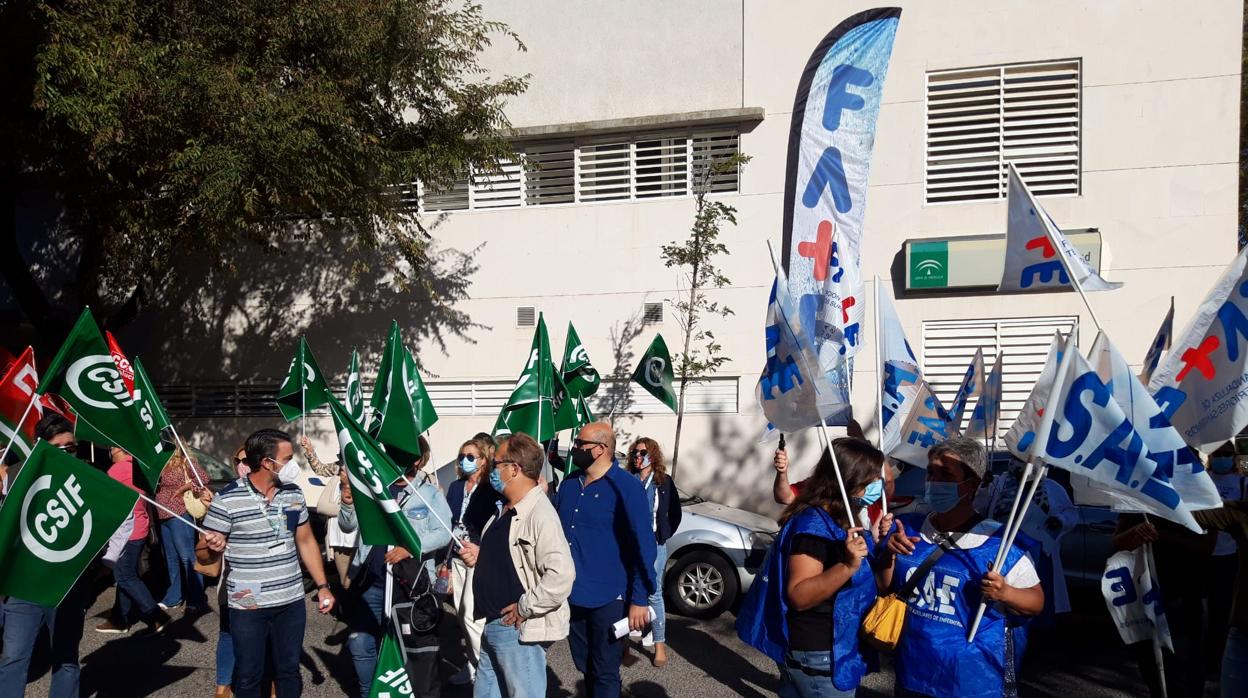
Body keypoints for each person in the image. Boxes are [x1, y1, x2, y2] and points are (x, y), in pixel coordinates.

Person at [876, 436, 1044, 698]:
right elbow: (885, 587)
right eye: (931, 472)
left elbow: (1035, 602)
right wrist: (888, 555)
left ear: (972, 484)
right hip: (913, 672)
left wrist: (1005, 593)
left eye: (946, 474)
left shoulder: (1001, 543)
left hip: (971, 679)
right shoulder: (908, 527)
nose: (934, 481)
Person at [199, 429, 336, 698]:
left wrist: (322, 585)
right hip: (248, 605)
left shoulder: (293, 494)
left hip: (290, 602)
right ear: (266, 463)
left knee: (288, 671)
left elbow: (306, 541)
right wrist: (211, 548)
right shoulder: (226, 499)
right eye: (288, 458)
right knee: (250, 675)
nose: (293, 465)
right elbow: (202, 556)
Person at [761, 438, 887, 697]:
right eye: (872, 479)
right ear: (851, 480)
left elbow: (879, 581)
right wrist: (847, 565)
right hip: (818, 655)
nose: (878, 485)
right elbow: (799, 595)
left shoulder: (843, 519)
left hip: (833, 647)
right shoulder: (814, 526)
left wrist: (888, 550)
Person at [456, 433, 575, 698]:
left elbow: (561, 575)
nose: (491, 470)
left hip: (516, 629)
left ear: (514, 469)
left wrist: (525, 607)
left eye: (496, 463)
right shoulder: (507, 508)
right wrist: (479, 553)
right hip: (494, 623)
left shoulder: (539, 514)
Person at [338, 435, 453, 698]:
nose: (389, 457)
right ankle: (371, 692)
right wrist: (347, 503)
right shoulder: (374, 487)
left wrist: (411, 546)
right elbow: (348, 526)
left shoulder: (429, 493)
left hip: (410, 587)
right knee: (360, 643)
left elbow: (444, 532)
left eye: (398, 453)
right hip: (373, 583)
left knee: (406, 647)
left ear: (415, 459)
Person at [554, 422, 657, 698]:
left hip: (610, 597)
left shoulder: (626, 487)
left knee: (606, 670)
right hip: (572, 595)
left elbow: (643, 547)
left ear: (600, 449)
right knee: (584, 664)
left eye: (579, 444)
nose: (575, 449)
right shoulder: (569, 485)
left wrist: (639, 598)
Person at [0, 415, 89, 698]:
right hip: (23, 586)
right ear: (41, 446)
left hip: (66, 586)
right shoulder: (16, 475)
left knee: (65, 658)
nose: (66, 452)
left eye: (71, 447)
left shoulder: (90, 479)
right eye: (58, 447)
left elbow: (110, 524)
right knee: (13, 657)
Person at [974, 458, 1077, 619]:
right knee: (1002, 592)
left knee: (1038, 594)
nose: (1020, 463)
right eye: (1017, 459)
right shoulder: (999, 483)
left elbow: (1071, 513)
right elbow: (978, 506)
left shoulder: (1051, 488)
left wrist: (1060, 520)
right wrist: (983, 486)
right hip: (1003, 547)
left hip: (1039, 550)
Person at [97, 447, 173, 634]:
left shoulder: (117, 470)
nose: (110, 451)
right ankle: (119, 619)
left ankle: (156, 615)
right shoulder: (139, 467)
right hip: (139, 527)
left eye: (112, 447)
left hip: (126, 531)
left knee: (125, 576)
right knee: (126, 574)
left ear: (121, 449)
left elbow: (104, 499)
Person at [624, 437, 682, 667]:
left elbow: (675, 512)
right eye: (635, 454)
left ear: (653, 455)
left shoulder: (663, 481)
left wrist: (663, 534)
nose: (638, 457)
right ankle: (624, 646)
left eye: (642, 453)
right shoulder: (627, 481)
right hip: (628, 546)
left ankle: (659, 645)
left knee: (653, 592)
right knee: (626, 591)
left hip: (654, 546)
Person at [445, 435, 493, 685]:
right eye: (462, 456)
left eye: (471, 457)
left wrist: (480, 549)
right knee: (461, 614)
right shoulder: (455, 487)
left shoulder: (491, 489)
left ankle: (486, 669)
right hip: (456, 558)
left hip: (477, 559)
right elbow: (449, 522)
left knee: (472, 617)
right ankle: (473, 666)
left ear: (484, 460)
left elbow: (496, 527)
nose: (465, 460)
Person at [153, 450, 212, 613]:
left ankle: (197, 599)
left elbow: (203, 479)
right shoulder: (159, 463)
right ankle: (174, 597)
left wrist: (183, 488)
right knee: (171, 559)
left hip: (179, 514)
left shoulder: (185, 461)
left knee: (187, 557)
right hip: (163, 515)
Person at [301, 436, 356, 591]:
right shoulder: (338, 469)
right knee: (345, 580)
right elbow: (320, 469)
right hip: (339, 535)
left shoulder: (368, 472)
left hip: (360, 535)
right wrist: (310, 450)